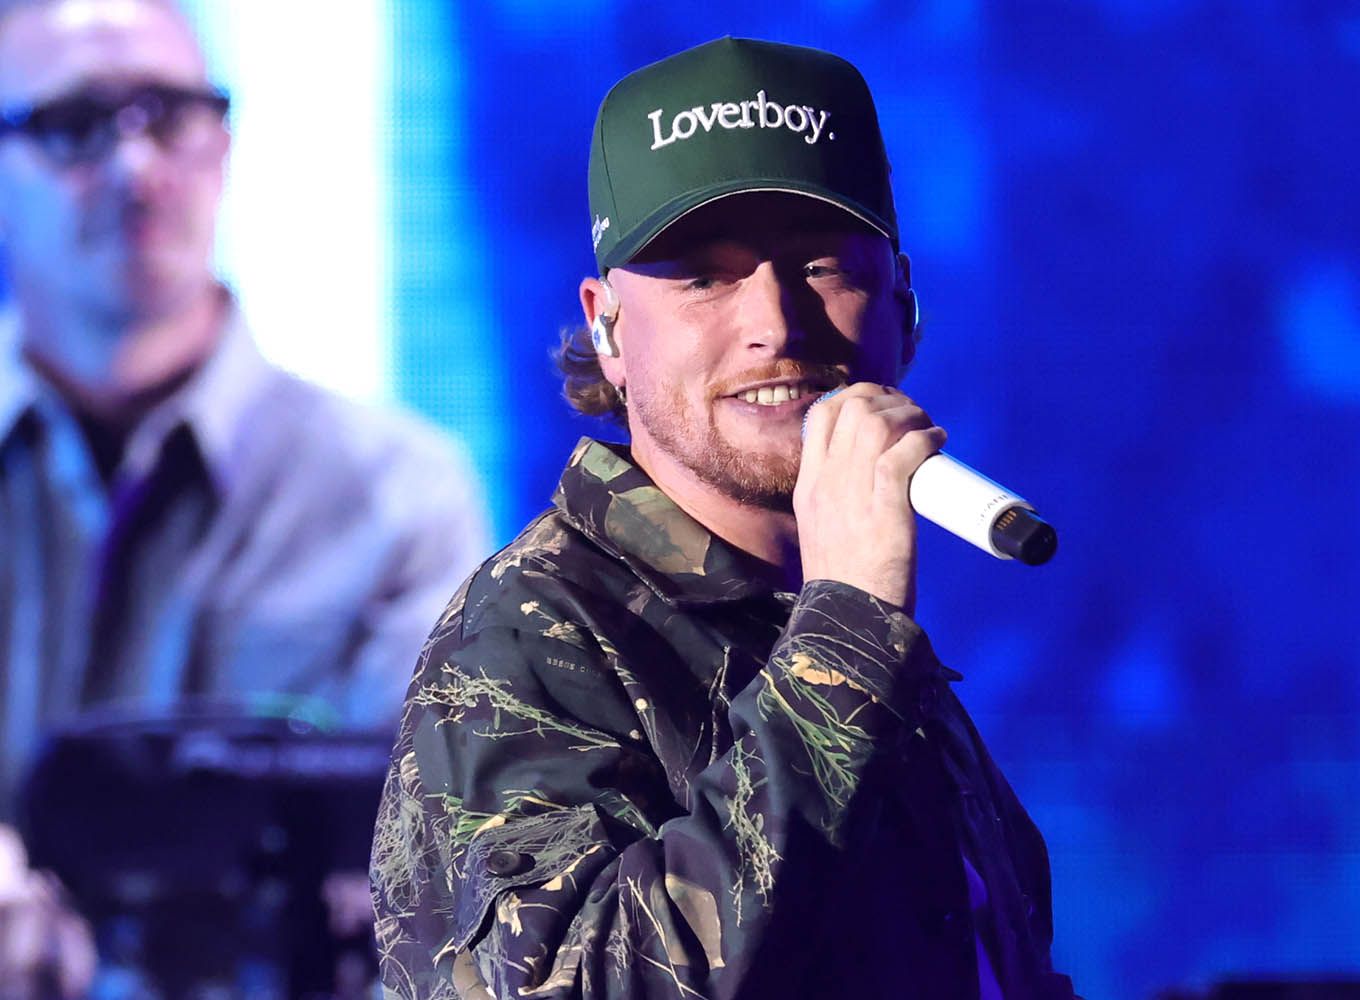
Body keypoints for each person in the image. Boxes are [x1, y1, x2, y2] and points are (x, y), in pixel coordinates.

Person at [372, 37, 1076, 999]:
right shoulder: (530, 632)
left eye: (820, 265)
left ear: (902, 305)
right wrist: (851, 632)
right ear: (608, 328)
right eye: (704, 276)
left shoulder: (839, 632)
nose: (775, 324)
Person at [0, 0, 487, 991]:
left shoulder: (395, 496)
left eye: (168, 114)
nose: (135, 168)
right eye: (75, 125)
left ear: (224, 143)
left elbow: (422, 895)